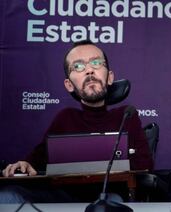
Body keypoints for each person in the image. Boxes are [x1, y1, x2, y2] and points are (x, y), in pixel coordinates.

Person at [1, 40, 153, 202]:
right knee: (8, 197)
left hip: (110, 197)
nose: (89, 70)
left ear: (110, 77)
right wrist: (23, 165)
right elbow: (34, 162)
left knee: (111, 203)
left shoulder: (126, 116)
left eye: (96, 63)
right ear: (69, 85)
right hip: (64, 197)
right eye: (78, 66)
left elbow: (145, 166)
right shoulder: (65, 118)